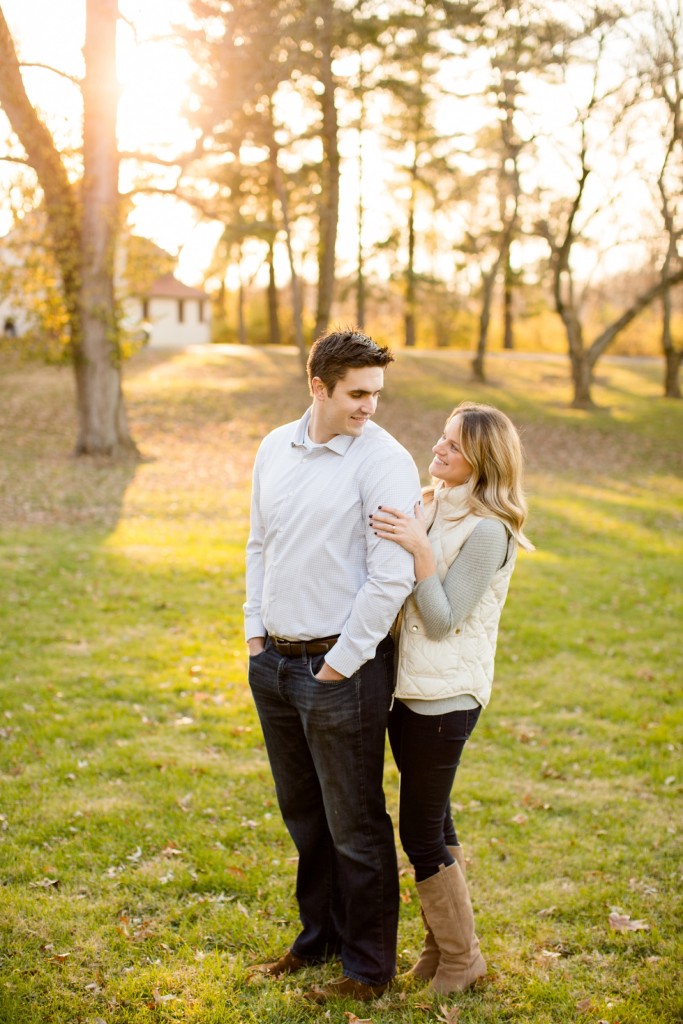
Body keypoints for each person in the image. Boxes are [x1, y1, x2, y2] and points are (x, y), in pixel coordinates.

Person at [243, 328, 422, 1002]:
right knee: (305, 816)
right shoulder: (273, 447)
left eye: (375, 393)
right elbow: (260, 542)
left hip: (340, 671)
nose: (368, 406)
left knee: (355, 824)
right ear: (317, 386)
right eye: (356, 393)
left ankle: (367, 969)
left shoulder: (384, 461)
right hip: (276, 665)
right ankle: (315, 941)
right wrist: (254, 635)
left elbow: (390, 576)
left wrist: (340, 665)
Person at [370, 401, 533, 996]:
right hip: (407, 691)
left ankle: (464, 960)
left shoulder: (489, 530)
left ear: (482, 463)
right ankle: (442, 947)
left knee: (418, 831)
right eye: (441, 437)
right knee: (434, 817)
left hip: (446, 699)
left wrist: (419, 550)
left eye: (453, 447)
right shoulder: (434, 503)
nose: (437, 450)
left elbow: (440, 620)